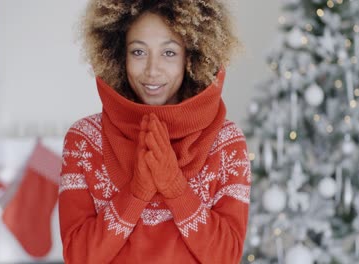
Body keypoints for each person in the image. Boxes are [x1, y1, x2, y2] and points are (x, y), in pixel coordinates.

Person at [58, 1, 251, 263]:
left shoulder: (226, 141)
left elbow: (226, 256)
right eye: (138, 52)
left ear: (191, 57)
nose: (151, 70)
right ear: (117, 55)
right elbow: (78, 256)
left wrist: (175, 189)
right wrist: (135, 194)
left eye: (169, 53)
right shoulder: (84, 140)